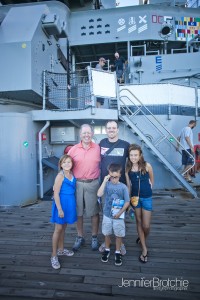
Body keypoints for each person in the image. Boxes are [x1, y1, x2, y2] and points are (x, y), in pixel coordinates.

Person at [99, 120, 130, 255]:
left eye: (113, 128)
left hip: (120, 187)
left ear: (117, 129)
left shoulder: (125, 145)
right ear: (106, 130)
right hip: (106, 187)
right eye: (109, 128)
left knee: (119, 216)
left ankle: (120, 242)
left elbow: (134, 161)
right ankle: (106, 241)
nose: (111, 130)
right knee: (106, 214)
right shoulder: (101, 144)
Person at [68, 124, 101, 251]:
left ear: (92, 134)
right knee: (79, 212)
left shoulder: (98, 148)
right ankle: (80, 236)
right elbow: (65, 165)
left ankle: (94, 237)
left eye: (89, 133)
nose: (86, 135)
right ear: (80, 134)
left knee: (94, 212)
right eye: (84, 133)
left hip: (93, 184)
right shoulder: (74, 149)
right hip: (77, 184)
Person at [125, 144, 154, 263]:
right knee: (139, 222)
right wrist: (128, 202)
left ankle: (142, 237)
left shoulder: (147, 166)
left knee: (146, 226)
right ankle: (144, 248)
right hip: (135, 199)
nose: (133, 157)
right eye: (131, 155)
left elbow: (152, 180)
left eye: (136, 155)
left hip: (146, 197)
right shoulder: (128, 169)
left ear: (140, 155)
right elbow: (128, 186)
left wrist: (149, 189)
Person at [97, 163, 130, 266]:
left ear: (120, 175)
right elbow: (99, 194)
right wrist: (104, 180)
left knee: (118, 234)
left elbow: (127, 202)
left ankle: (117, 251)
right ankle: (107, 249)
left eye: (116, 177)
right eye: (112, 177)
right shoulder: (107, 184)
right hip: (107, 214)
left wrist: (120, 212)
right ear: (109, 174)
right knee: (107, 233)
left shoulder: (123, 187)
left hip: (118, 216)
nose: (114, 179)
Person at [50, 154, 77, 269]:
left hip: (70, 203)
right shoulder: (60, 176)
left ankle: (61, 249)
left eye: (69, 162)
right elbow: (55, 193)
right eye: (64, 162)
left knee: (64, 228)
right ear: (60, 164)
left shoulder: (71, 174)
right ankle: (54, 255)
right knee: (58, 229)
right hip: (61, 204)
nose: (67, 164)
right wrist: (60, 209)